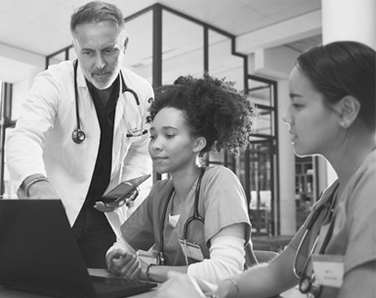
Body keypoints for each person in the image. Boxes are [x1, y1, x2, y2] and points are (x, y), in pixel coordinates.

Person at [155, 41, 376, 298]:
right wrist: (224, 289)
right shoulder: (334, 196)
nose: (285, 115)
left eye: (298, 104)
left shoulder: (372, 186)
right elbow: (277, 273)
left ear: (346, 110)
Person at [6, 1, 154, 269]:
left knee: (103, 286)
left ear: (126, 44)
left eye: (109, 50)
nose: (99, 64)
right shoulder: (53, 82)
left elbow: (141, 148)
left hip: (105, 216)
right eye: (88, 52)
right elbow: (25, 136)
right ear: (75, 48)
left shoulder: (141, 92)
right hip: (57, 209)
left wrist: (130, 185)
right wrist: (37, 185)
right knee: (46, 282)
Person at [105, 74, 256, 284]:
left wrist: (148, 271)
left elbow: (226, 271)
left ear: (197, 144)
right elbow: (122, 245)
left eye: (169, 135)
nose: (156, 145)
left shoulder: (219, 182)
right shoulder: (161, 193)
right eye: (153, 135)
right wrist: (117, 259)